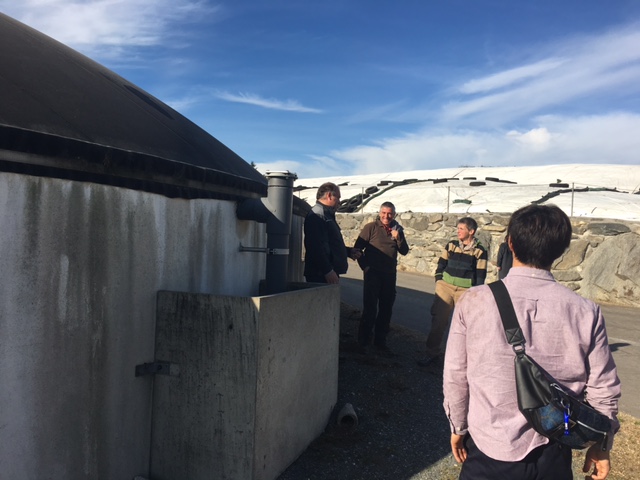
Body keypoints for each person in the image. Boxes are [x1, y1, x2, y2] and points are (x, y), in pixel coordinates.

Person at [443, 204, 621, 480]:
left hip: (490, 446)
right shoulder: (586, 311)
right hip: (554, 449)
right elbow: (603, 387)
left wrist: (458, 427)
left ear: (510, 243)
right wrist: (602, 443)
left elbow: (456, 375)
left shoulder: (475, 301)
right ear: (561, 250)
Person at [418, 217, 487, 367]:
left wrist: (475, 294)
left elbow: (481, 275)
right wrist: (439, 280)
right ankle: (431, 354)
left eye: (461, 229)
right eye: (458, 228)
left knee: (463, 327)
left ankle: (461, 361)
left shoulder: (480, 251)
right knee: (438, 322)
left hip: (465, 291)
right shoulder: (451, 245)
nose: (458, 231)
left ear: (471, 231)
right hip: (445, 287)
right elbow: (441, 263)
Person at [354, 202, 409, 350]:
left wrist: (398, 238)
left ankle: (380, 342)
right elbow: (357, 249)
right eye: (384, 213)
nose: (386, 216)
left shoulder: (397, 229)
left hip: (389, 275)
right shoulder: (371, 227)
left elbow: (404, 251)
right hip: (373, 274)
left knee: (386, 309)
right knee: (370, 309)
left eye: (389, 213)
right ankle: (363, 342)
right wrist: (365, 267)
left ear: (394, 214)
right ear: (379, 213)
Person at [304, 182, 361, 284]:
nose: (339, 202)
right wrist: (327, 271)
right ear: (329, 196)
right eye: (338, 198)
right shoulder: (317, 215)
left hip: (327, 272)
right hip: (320, 274)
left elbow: (329, 244)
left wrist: (348, 252)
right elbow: (315, 246)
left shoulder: (327, 215)